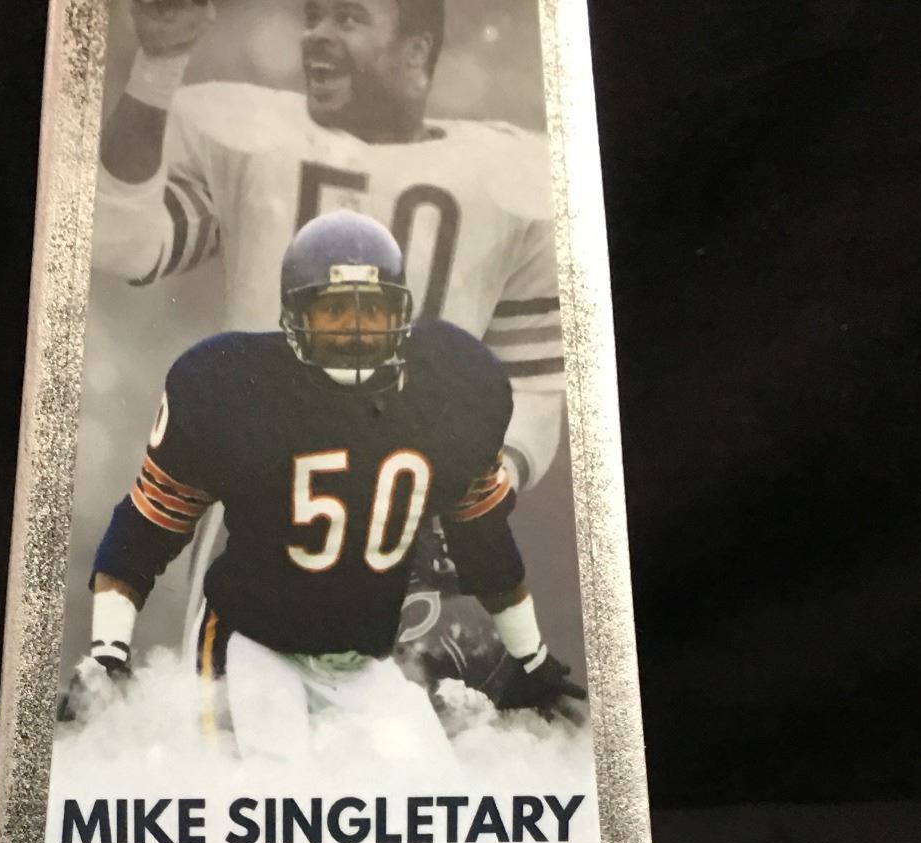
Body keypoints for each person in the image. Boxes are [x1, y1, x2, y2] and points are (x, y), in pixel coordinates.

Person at [64, 213, 582, 756]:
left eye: (371, 311)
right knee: (265, 794)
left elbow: (486, 542)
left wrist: (531, 658)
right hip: (253, 647)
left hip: (364, 666)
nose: (356, 330)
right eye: (335, 310)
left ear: (399, 315)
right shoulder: (231, 385)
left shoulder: (448, 385)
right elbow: (147, 527)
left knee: (432, 787)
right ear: (296, 315)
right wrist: (107, 651)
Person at [93, 0, 566, 496]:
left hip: (413, 513)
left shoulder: (509, 178)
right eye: (312, 17)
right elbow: (122, 239)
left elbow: (531, 393)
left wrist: (476, 499)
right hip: (256, 507)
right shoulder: (256, 143)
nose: (315, 34)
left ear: (416, 50)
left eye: (347, 18)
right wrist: (159, 65)